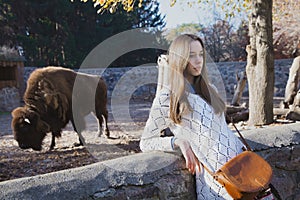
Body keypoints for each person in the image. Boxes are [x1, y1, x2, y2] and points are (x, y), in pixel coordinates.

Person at [140, 34, 273, 199]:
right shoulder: (167, 97)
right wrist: (179, 141)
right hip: (217, 183)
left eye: (201, 54)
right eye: (191, 55)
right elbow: (145, 142)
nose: (198, 60)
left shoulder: (210, 89)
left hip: (245, 170)